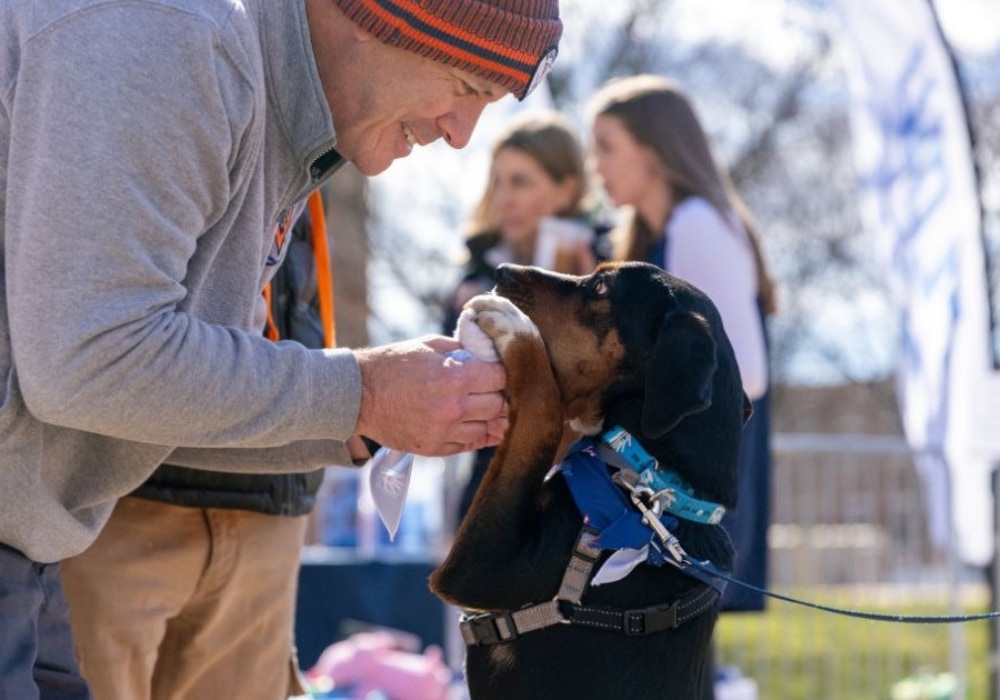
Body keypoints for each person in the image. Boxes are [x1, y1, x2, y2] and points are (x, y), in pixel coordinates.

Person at [0, 1, 562, 698]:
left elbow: (125, 391)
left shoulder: (252, 88)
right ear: (379, 16)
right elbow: (91, 359)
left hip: (29, 560)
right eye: (466, 87)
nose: (459, 135)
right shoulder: (165, 34)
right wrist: (366, 390)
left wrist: (369, 419)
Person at [588, 74, 777, 695]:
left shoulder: (697, 223)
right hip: (666, 479)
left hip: (697, 482)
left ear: (653, 148)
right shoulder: (653, 233)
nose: (597, 165)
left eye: (607, 146)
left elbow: (743, 369)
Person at [442, 110, 609, 522]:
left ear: (566, 190)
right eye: (498, 181)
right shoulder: (477, 272)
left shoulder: (613, 267)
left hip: (587, 488)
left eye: (520, 181)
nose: (503, 198)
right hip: (493, 485)